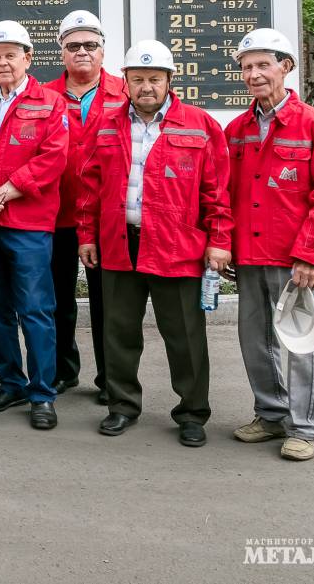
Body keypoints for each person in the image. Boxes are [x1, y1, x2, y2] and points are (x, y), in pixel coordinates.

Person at [76, 41, 233, 447]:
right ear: (125, 82)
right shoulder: (107, 125)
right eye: (138, 79)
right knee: (118, 332)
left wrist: (219, 241)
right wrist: (87, 236)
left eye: (154, 79)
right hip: (118, 243)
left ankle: (192, 413)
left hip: (177, 246)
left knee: (184, 335)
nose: (146, 87)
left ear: (169, 81)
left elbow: (217, 192)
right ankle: (122, 406)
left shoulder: (199, 125)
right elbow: (89, 188)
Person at [225, 28, 314, 461]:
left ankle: (304, 426)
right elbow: (225, 194)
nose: (254, 74)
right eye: (246, 67)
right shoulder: (238, 129)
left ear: (286, 67)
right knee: (253, 340)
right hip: (248, 255)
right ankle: (271, 412)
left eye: (263, 64)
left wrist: (311, 256)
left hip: (292, 258)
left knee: (298, 343)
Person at [0, 21, 68, 431]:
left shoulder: (50, 102)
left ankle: (42, 394)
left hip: (27, 223)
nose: (3, 61)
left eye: (11, 54)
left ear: (28, 57)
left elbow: (53, 157)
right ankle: (11, 383)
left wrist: (4, 192)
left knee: (35, 310)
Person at [43, 10, 127, 404]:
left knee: (106, 301)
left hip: (104, 215)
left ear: (103, 51)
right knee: (57, 298)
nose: (82, 52)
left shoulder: (126, 92)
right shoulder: (42, 96)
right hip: (56, 214)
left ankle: (112, 378)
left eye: (90, 45)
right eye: (73, 45)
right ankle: (63, 371)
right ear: (61, 51)